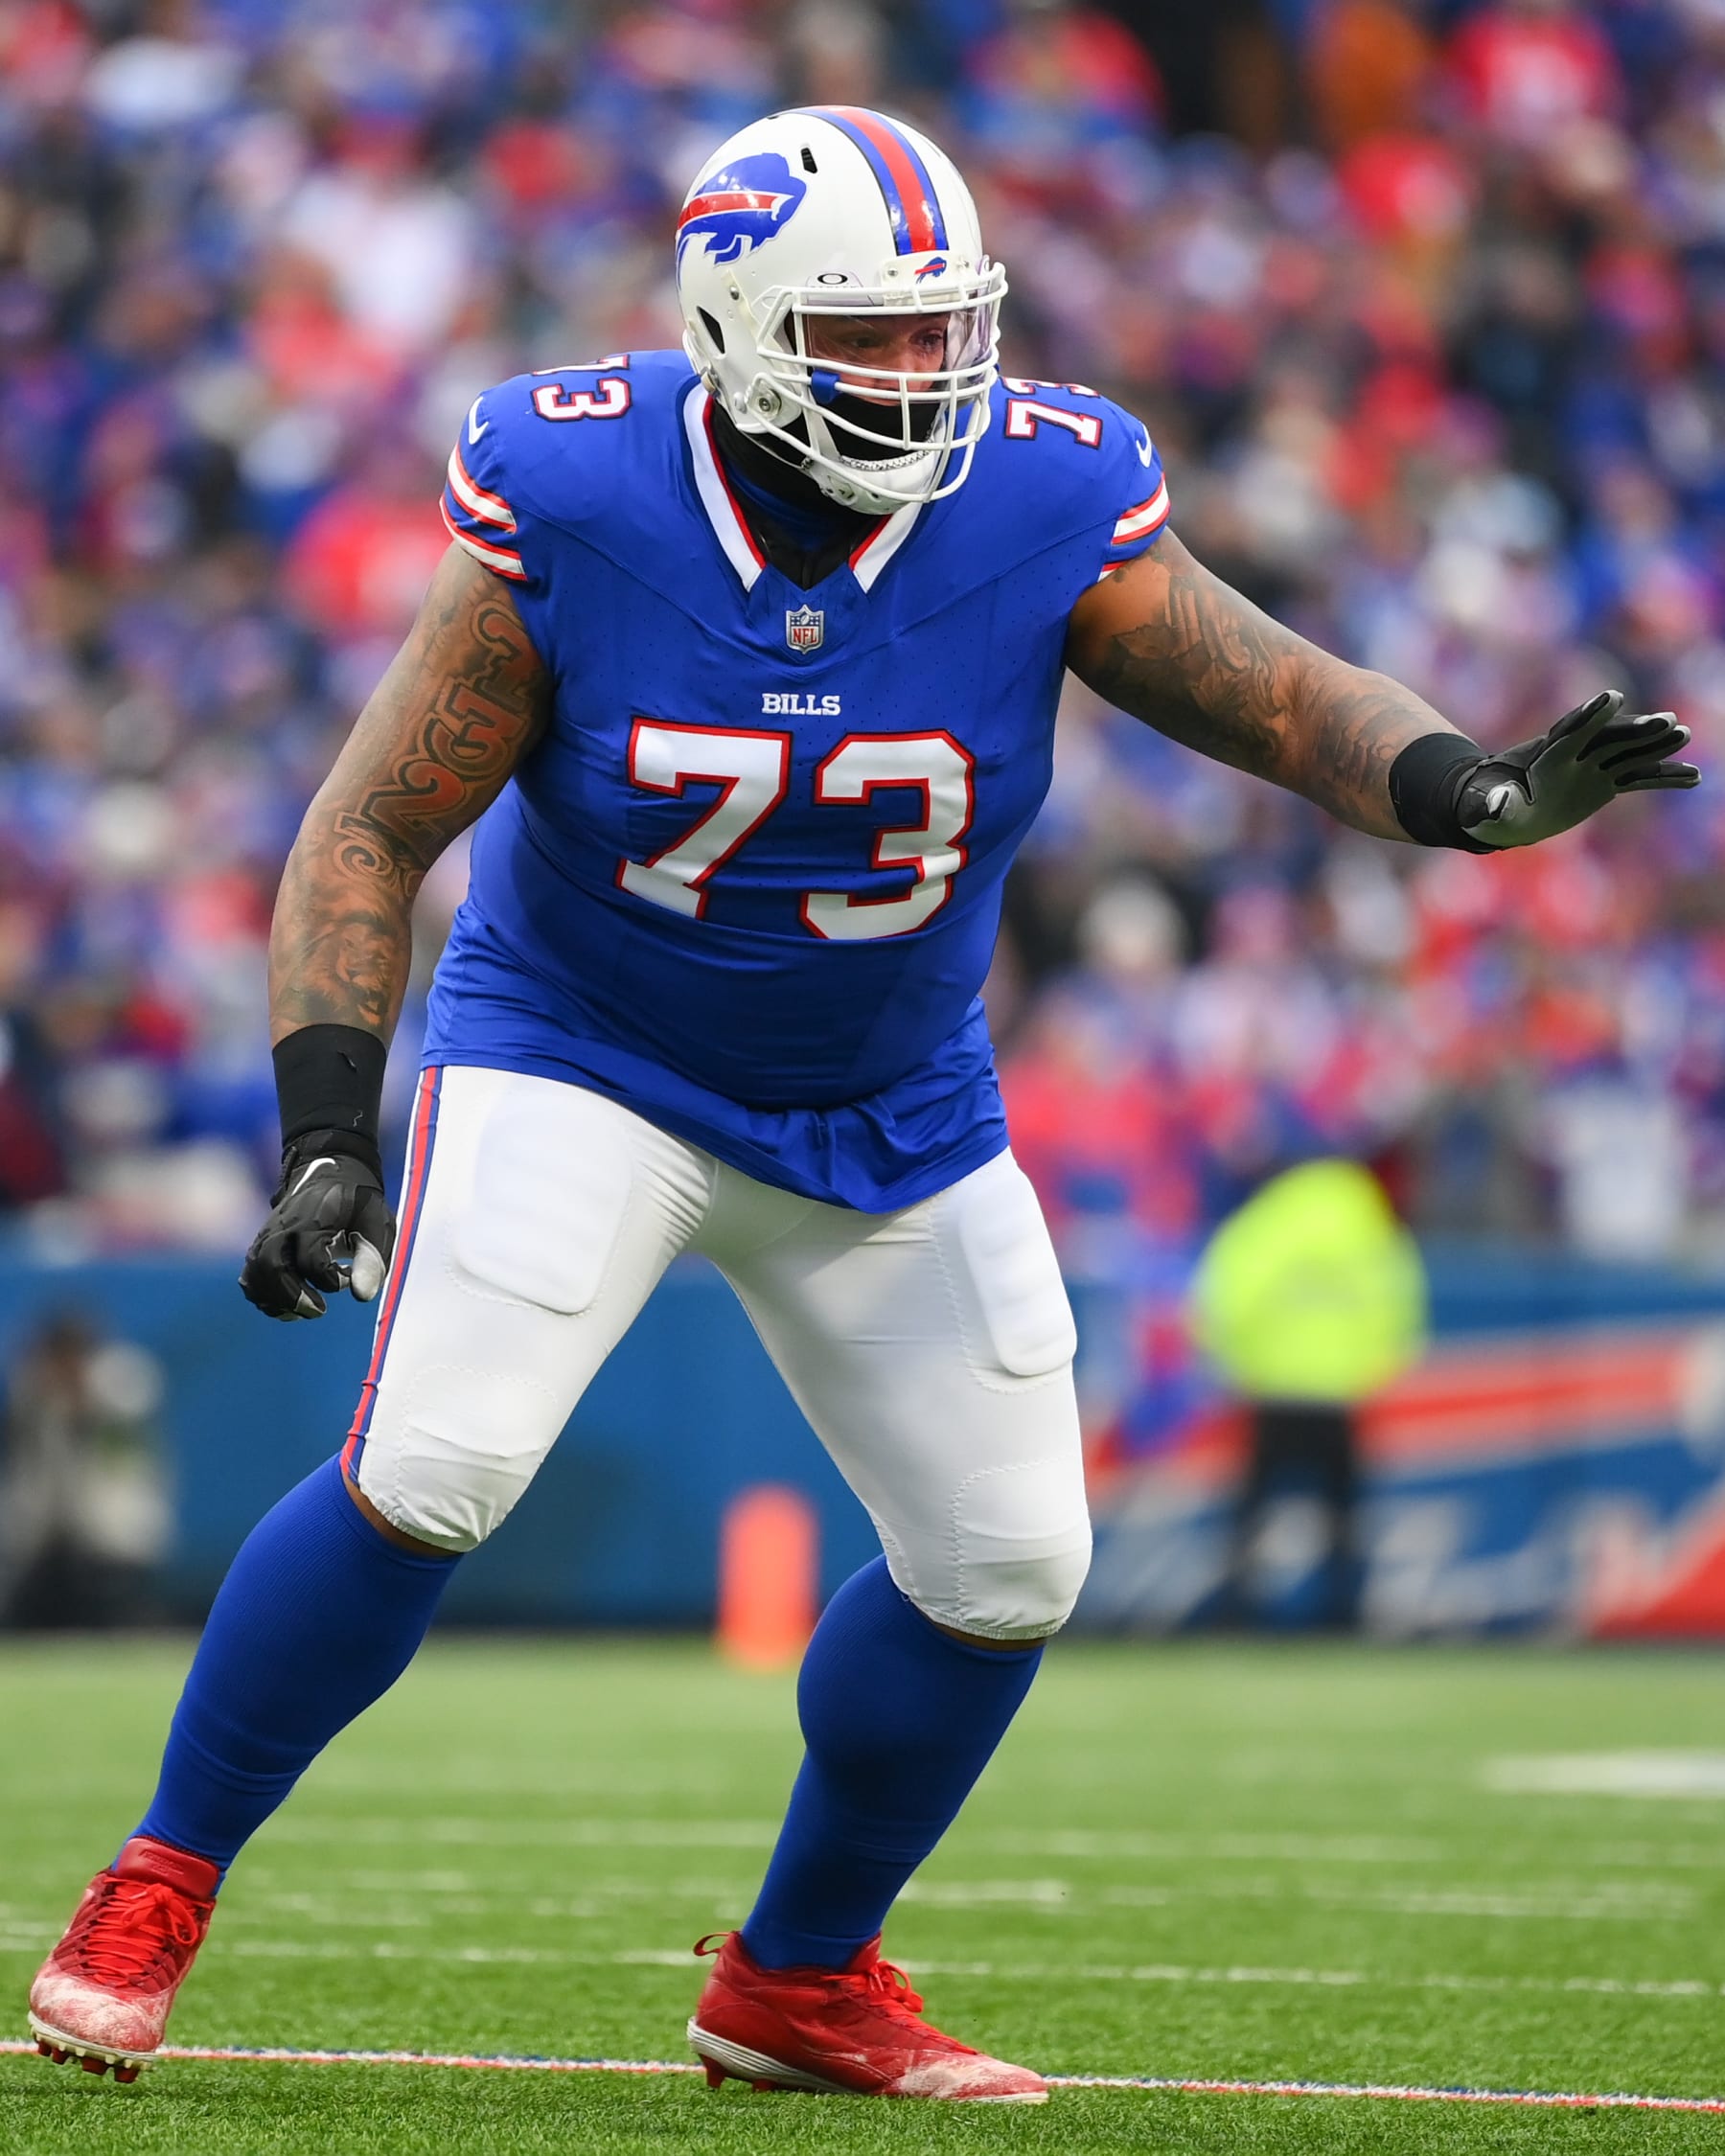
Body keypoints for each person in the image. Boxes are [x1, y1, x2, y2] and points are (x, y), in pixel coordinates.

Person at [26, 103, 1696, 2101]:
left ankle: (797, 1978)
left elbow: (1271, 690)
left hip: (890, 1102)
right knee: (435, 1469)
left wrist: (1470, 789)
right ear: (735, 325)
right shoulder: (579, 488)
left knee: (1011, 1571)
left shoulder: (1042, 495)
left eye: (943, 332)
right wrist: (324, 1122)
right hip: (588, 1056)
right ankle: (155, 1885)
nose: (923, 379)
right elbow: (371, 825)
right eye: (869, 339)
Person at [1192, 1157, 1428, 1630]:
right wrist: (1371, 1368)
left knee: (1254, 1509)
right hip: (1338, 1395)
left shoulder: (1268, 1219)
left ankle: (1238, 1608)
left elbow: (1225, 1295)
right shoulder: (1368, 1224)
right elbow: (1399, 1307)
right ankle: (1346, 1613)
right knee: (1342, 1512)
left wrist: (1234, 1361)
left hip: (1273, 1390)